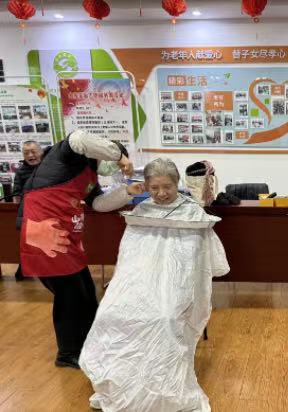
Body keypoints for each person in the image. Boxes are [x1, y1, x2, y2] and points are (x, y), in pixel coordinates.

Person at [80, 158, 229, 412]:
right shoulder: (141, 212)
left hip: (178, 287)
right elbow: (129, 260)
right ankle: (125, 380)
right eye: (154, 188)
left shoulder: (193, 213)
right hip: (139, 283)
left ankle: (161, 386)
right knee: (108, 314)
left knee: (164, 318)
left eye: (167, 187)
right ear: (146, 186)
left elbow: (200, 264)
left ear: (177, 183)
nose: (161, 193)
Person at [17, 130, 144, 369]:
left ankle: (90, 343)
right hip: (46, 236)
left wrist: (128, 192)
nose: (113, 167)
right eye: (111, 160)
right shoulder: (67, 154)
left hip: (68, 240)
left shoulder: (89, 175)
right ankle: (68, 353)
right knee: (69, 297)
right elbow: (78, 137)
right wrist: (120, 156)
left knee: (85, 291)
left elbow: (98, 204)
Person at [12, 141, 44, 281]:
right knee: (29, 245)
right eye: (26, 153)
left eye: (33, 152)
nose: (30, 155)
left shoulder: (49, 167)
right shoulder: (20, 172)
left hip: (48, 212)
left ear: (41, 152)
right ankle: (23, 272)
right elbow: (16, 194)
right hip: (29, 213)